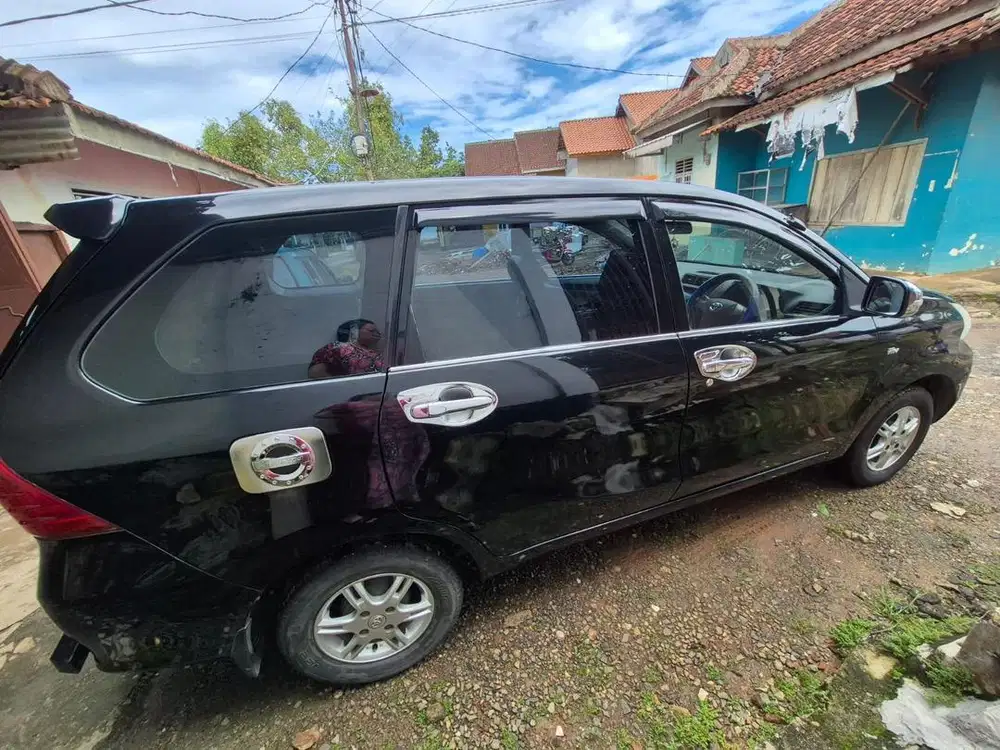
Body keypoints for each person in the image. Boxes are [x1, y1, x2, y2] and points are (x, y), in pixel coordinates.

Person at [308, 318, 383, 379]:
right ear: (354, 331)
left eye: (377, 331)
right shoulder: (337, 348)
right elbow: (315, 372)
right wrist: (343, 388)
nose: (377, 334)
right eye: (371, 331)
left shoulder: (375, 351)